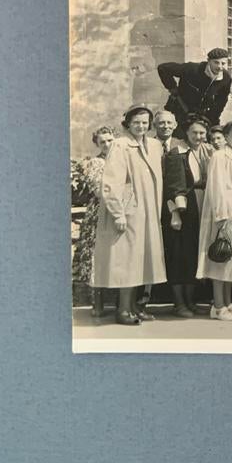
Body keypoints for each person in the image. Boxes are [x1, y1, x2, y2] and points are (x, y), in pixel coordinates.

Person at [94, 105, 167, 326]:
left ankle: (136, 305)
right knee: (127, 261)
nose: (141, 126)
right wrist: (118, 213)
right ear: (128, 123)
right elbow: (112, 181)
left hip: (149, 210)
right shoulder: (120, 145)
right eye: (136, 122)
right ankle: (123, 309)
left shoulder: (154, 145)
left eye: (145, 122)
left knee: (142, 260)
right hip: (130, 210)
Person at [196, 120, 232, 322]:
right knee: (220, 260)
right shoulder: (220, 156)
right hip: (226, 216)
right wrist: (222, 217)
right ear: (227, 137)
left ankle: (229, 302)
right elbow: (217, 187)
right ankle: (218, 306)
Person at [160, 115, 206, 318]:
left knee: (191, 254)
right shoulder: (176, 153)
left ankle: (190, 300)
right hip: (182, 209)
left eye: (202, 133)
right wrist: (176, 214)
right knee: (179, 256)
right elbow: (174, 186)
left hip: (198, 206)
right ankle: (179, 303)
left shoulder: (203, 152)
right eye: (194, 132)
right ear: (186, 133)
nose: (198, 136)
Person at [72, 125, 116, 318]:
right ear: (97, 144)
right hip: (99, 213)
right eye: (102, 142)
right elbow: (100, 191)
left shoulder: (123, 160)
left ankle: (121, 303)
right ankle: (97, 303)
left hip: (121, 212)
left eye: (109, 140)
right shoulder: (96, 164)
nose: (107, 145)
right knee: (96, 257)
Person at [157, 48, 232, 137]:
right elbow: (163, 68)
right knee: (174, 140)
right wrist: (172, 88)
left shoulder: (226, 79)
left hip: (200, 116)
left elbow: (221, 102)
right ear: (208, 61)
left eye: (223, 63)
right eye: (216, 62)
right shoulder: (192, 69)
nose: (220, 67)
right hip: (178, 110)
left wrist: (212, 119)